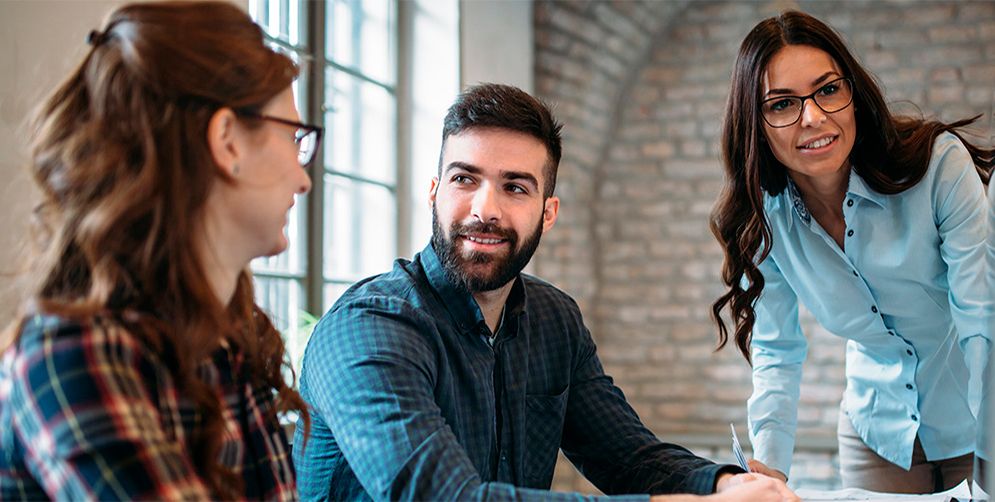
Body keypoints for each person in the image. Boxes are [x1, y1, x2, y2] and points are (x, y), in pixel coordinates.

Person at [293, 83, 797, 502]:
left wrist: (727, 483)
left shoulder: (554, 319)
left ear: (547, 212)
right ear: (435, 192)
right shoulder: (369, 327)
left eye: (515, 187)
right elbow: (441, 496)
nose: (484, 208)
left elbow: (629, 457)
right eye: (465, 179)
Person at [0, 2, 319, 499]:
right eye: (294, 138)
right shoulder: (73, 356)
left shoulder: (231, 335)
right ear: (228, 140)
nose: (303, 178)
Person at [710, 10, 993, 493]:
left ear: (853, 95)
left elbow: (981, 320)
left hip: (977, 421)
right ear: (754, 124)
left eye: (827, 90)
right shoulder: (764, 220)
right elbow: (777, 350)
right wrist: (771, 472)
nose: (814, 117)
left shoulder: (939, 168)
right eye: (781, 104)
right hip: (876, 432)